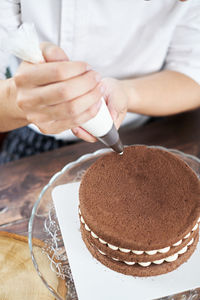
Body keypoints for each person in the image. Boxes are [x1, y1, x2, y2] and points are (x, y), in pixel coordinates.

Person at [0, 0, 200, 163]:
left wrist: (126, 92)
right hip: (38, 141)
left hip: (146, 126)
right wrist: (17, 100)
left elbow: (192, 74)